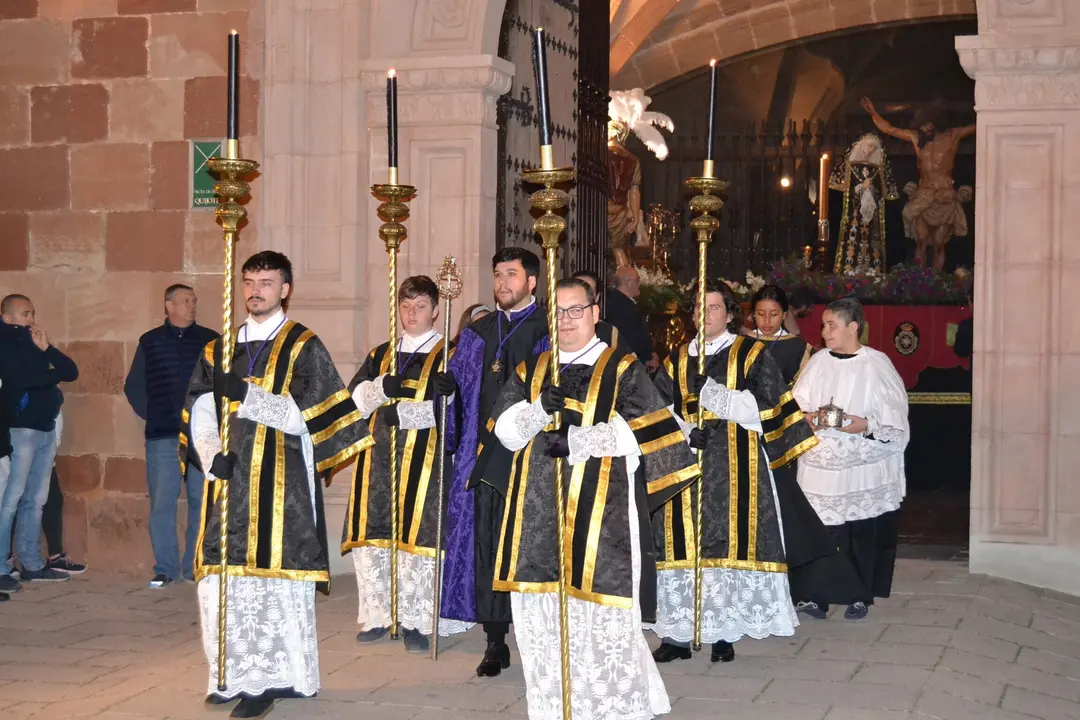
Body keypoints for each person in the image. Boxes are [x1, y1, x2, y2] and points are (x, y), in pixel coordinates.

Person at [479, 278, 698, 719]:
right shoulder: (533, 370)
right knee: (543, 613)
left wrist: (579, 440)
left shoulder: (623, 368)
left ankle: (607, 702)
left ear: (596, 313)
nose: (567, 320)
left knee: (599, 616)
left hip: (603, 514)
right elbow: (502, 431)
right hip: (537, 516)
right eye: (558, 312)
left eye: (576, 310)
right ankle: (553, 702)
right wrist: (539, 408)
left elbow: (650, 434)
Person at [181, 251, 373, 718]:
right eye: (249, 281)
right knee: (222, 581)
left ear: (285, 289)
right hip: (228, 484)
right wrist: (211, 455)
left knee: (273, 583)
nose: (255, 290)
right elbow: (198, 409)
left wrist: (249, 396)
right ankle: (229, 672)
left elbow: (313, 417)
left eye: (266, 282)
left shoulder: (304, 346)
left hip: (280, 486)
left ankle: (272, 678)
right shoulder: (219, 348)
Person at [648, 281, 817, 664]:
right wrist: (687, 429)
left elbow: (770, 407)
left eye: (713, 308)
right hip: (688, 462)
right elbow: (657, 410)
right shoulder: (676, 358)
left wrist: (712, 393)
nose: (703, 315)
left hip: (736, 463)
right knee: (681, 544)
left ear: (729, 313)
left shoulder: (751, 353)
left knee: (727, 540)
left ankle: (723, 631)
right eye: (697, 308)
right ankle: (677, 633)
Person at [343, 275, 469, 653]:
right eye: (405, 306)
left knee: (419, 539)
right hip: (377, 459)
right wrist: (381, 387)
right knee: (375, 535)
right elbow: (352, 400)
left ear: (435, 311)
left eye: (420, 307)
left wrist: (410, 413)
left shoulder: (450, 354)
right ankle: (378, 614)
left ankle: (417, 619)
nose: (411, 314)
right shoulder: (382, 353)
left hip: (426, 462)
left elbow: (458, 413)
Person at [440, 247, 549, 677]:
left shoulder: (549, 328)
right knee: (486, 541)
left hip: (528, 453)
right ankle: (495, 641)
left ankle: (537, 631)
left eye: (512, 274)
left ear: (532, 282)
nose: (503, 283)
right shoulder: (478, 331)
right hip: (483, 453)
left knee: (527, 543)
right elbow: (461, 395)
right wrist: (447, 390)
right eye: (498, 275)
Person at [791, 298, 910, 621]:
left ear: (853, 327)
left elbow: (894, 416)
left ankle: (860, 595)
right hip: (821, 460)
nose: (825, 331)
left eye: (832, 325)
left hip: (860, 460)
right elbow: (796, 405)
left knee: (859, 529)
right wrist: (811, 418)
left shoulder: (876, 363)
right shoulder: (817, 362)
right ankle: (815, 595)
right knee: (820, 528)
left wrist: (864, 425)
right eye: (823, 325)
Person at [125, 284, 219, 587]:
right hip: (163, 435)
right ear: (169, 306)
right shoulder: (150, 342)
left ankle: (194, 566)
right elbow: (134, 386)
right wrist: (155, 414)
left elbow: (223, 385)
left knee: (199, 502)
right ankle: (165, 568)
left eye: (194, 301)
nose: (192, 306)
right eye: (186, 301)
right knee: (162, 504)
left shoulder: (210, 340)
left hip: (200, 437)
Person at [0, 295, 79, 589]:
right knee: (12, 499)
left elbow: (70, 372)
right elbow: (22, 379)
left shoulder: (35, 342)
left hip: (45, 428)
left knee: (37, 499)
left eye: (32, 313)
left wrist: (48, 349)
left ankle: (32, 563)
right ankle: (2, 566)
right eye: (24, 314)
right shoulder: (5, 342)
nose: (31, 320)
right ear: (7, 317)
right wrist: (48, 374)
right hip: (21, 429)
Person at [748, 285, 812, 386]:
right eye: (761, 314)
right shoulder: (741, 342)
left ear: (784, 315)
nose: (767, 321)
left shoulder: (798, 347)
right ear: (753, 314)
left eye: (774, 314)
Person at [605, 266, 660, 372]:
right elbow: (633, 338)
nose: (639, 284)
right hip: (629, 364)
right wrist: (648, 357)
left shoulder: (615, 300)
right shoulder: (625, 307)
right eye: (637, 280)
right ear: (629, 283)